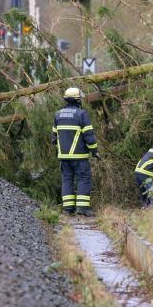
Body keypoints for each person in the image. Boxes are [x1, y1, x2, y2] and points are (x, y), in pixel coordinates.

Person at [52, 87, 99, 217]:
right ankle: (83, 208)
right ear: (78, 100)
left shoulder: (58, 114)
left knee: (67, 179)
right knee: (83, 179)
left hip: (63, 157)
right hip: (79, 156)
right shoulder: (81, 114)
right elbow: (89, 135)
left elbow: (54, 137)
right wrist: (94, 150)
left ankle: (68, 208)